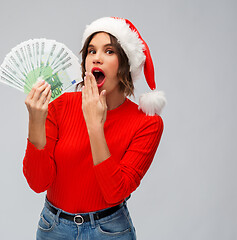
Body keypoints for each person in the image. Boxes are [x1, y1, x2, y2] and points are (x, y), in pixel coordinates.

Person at [23, 17, 166, 240]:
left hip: (109, 231)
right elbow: (37, 182)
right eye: (91, 51)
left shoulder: (147, 124)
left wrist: (94, 126)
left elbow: (115, 192)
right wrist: (35, 122)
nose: (96, 57)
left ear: (126, 64)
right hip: (54, 229)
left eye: (109, 51)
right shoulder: (59, 106)